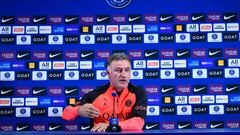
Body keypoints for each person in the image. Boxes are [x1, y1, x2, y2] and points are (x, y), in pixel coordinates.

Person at [62, 53, 147, 132]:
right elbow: (65, 114)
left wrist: (111, 126)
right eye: (118, 70)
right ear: (108, 73)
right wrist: (78, 110)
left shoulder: (138, 93)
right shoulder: (95, 94)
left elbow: (138, 123)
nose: (124, 75)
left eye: (127, 70)